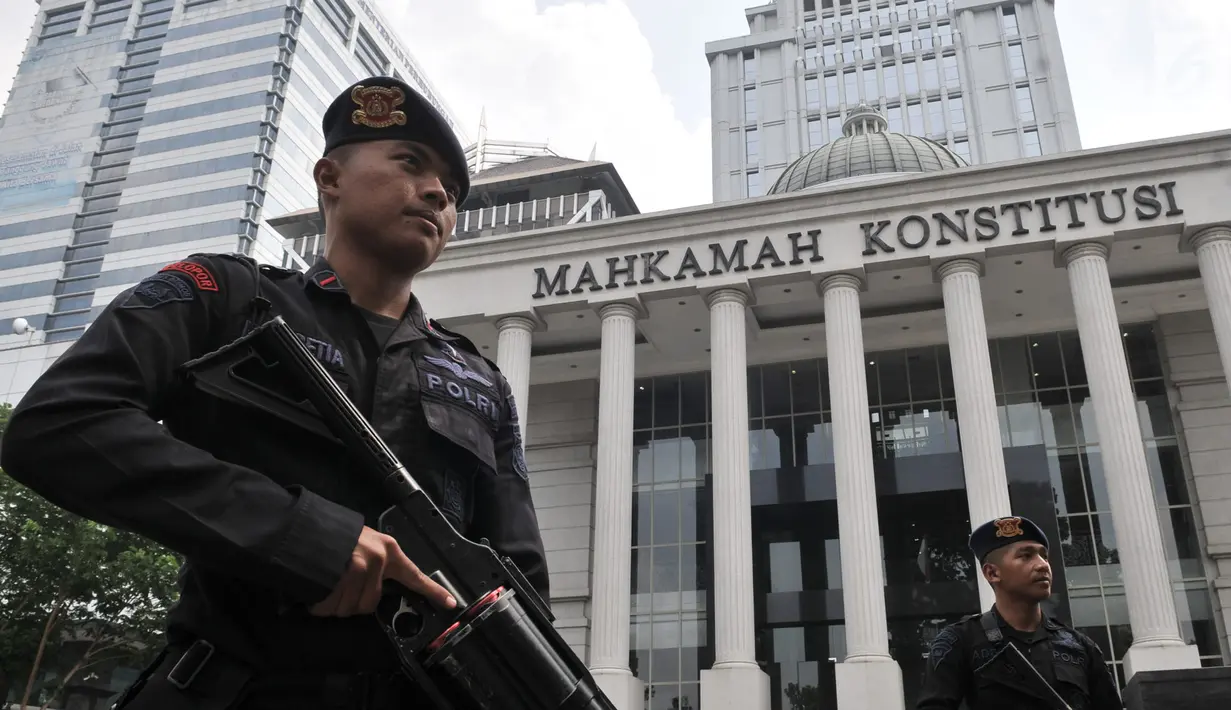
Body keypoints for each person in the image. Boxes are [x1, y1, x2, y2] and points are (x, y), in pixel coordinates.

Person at [0, 75, 549, 710]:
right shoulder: (220, 295)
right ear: (329, 178)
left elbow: (521, 582)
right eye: (410, 162)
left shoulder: (483, 380)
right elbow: (57, 423)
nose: (436, 194)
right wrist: (300, 535)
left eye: (452, 193)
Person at [916, 516, 1123, 710]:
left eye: (1044, 555)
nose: (1043, 565)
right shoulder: (959, 641)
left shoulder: (1081, 647)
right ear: (992, 573)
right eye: (1026, 556)